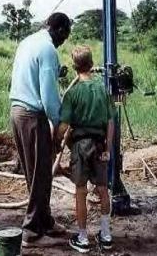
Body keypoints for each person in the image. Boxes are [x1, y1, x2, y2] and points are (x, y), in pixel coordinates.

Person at [9, 12, 71, 247]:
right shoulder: (47, 49)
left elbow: (32, 77)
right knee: (41, 173)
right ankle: (31, 229)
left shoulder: (28, 42)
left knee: (36, 172)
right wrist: (58, 124)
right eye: (65, 36)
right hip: (32, 116)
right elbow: (48, 96)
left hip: (17, 111)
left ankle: (45, 220)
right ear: (60, 30)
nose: (63, 42)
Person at [57, 45, 114, 253]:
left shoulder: (72, 93)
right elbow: (110, 122)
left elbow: (63, 126)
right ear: (91, 64)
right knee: (102, 189)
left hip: (80, 146)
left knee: (80, 192)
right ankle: (106, 235)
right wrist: (107, 146)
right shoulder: (102, 88)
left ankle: (82, 238)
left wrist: (57, 139)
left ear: (74, 66)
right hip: (100, 145)